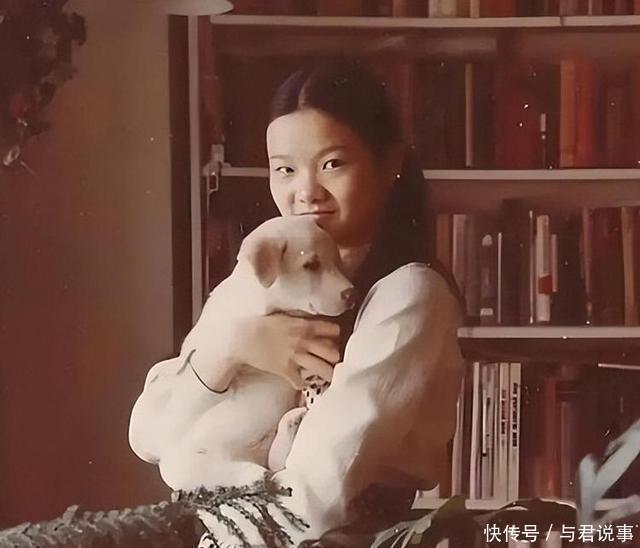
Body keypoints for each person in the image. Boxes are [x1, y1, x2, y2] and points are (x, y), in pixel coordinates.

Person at [129, 59, 464, 547]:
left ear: (389, 163)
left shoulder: (409, 294)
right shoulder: (259, 282)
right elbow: (150, 438)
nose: (305, 192)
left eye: (332, 164)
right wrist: (233, 347)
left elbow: (320, 485)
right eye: (285, 169)